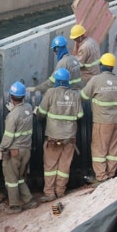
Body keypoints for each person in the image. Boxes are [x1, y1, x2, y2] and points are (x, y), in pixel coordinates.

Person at [80, 53, 117, 184]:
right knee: (113, 149)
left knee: (99, 149)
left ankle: (101, 177)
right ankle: (111, 175)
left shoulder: (96, 80)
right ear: (112, 67)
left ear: (101, 66)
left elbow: (83, 96)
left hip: (102, 121)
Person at [35, 68, 83, 205]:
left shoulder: (51, 93)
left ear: (57, 81)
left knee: (50, 166)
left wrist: (37, 112)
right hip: (69, 139)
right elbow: (80, 115)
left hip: (53, 138)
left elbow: (42, 113)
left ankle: (50, 194)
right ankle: (60, 191)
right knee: (64, 166)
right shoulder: (75, 95)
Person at [0, 81, 37, 214]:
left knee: (11, 179)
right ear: (23, 96)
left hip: (14, 152)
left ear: (11, 97)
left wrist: (0, 149)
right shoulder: (29, 108)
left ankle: (14, 206)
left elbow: (8, 136)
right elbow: (22, 117)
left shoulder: (12, 116)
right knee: (19, 177)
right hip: (26, 150)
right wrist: (14, 111)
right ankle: (29, 201)